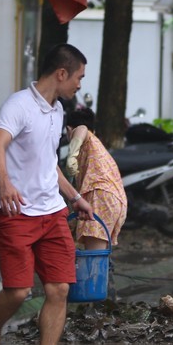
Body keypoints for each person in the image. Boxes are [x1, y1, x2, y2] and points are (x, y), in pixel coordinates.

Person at [0, 44, 94, 345]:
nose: (79, 85)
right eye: (79, 77)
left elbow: (47, 163)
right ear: (61, 74)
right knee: (18, 291)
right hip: (15, 211)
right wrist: (6, 183)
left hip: (52, 213)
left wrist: (74, 197)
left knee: (59, 288)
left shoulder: (57, 112)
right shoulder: (18, 105)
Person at [63, 104, 126, 249]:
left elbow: (81, 129)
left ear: (68, 130)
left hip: (101, 197)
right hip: (113, 199)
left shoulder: (83, 134)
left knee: (94, 259)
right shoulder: (93, 143)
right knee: (95, 254)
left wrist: (71, 155)